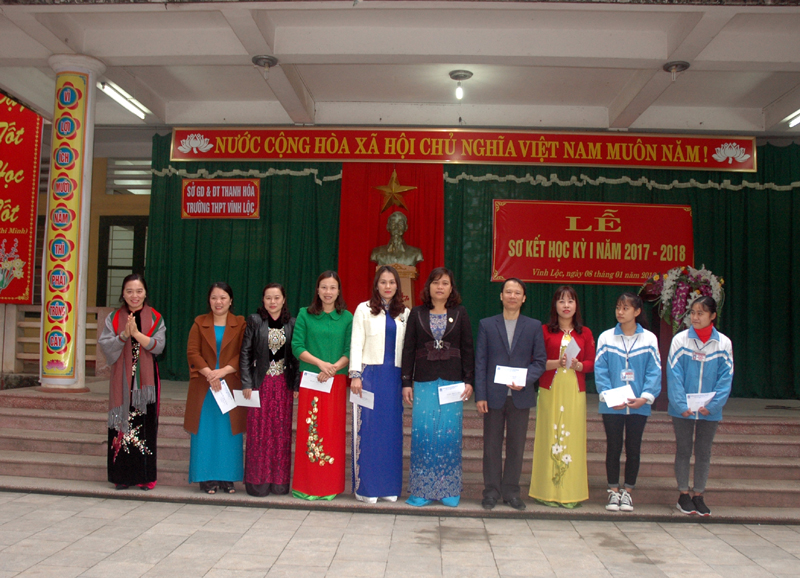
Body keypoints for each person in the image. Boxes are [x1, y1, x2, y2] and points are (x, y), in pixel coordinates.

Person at [401, 267, 474, 507]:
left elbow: (468, 348)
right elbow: (409, 349)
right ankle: (422, 490)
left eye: (445, 283)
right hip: (424, 382)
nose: (440, 287)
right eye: (435, 282)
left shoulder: (460, 313)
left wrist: (469, 380)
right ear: (428, 287)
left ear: (451, 288)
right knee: (424, 433)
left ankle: (448, 491)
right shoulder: (417, 313)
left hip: (453, 382)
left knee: (449, 434)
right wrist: (406, 382)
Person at [475, 278, 546, 511]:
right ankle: (491, 492)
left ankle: (511, 493)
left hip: (520, 396)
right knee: (491, 447)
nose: (512, 296)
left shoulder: (534, 326)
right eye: (508, 292)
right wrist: (480, 395)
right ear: (501, 296)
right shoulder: (487, 324)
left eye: (517, 293)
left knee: (516, 447)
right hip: (493, 396)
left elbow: (540, 361)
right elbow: (481, 362)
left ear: (524, 298)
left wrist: (524, 379)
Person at [98, 273, 166, 491]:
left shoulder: (155, 317)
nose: (134, 296)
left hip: (146, 384)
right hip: (121, 381)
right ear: (123, 294)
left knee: (145, 428)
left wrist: (136, 333)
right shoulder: (114, 318)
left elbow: (159, 346)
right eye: (129, 291)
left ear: (145, 293)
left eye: (139, 291)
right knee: (120, 426)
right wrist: (123, 335)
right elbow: (106, 347)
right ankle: (122, 477)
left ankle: (145, 478)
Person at [595, 292, 661, 513]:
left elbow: (654, 371)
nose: (620, 312)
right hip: (612, 405)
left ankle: (628, 492)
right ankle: (613, 491)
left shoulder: (649, 339)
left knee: (633, 448)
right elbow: (601, 370)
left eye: (625, 308)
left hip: (638, 404)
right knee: (613, 447)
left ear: (637, 311)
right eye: (618, 307)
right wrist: (608, 396)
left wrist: (645, 397)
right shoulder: (606, 337)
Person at [529, 285, 595, 508]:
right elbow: (536, 362)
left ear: (576, 305)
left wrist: (579, 365)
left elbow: (591, 363)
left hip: (574, 391)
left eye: (570, 301)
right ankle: (545, 491)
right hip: (550, 389)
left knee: (572, 437)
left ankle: (570, 493)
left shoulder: (585, 333)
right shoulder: (544, 330)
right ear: (555, 305)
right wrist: (557, 363)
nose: (566, 306)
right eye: (561, 301)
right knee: (549, 436)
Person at [668, 296, 733, 517]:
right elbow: (674, 374)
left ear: (712, 316)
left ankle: (699, 495)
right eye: (693, 313)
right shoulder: (680, 340)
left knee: (704, 452)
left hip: (709, 411)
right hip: (683, 409)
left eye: (701, 313)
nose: (695, 317)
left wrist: (713, 405)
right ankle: (683, 495)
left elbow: (726, 378)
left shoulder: (724, 343)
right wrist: (680, 404)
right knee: (684, 450)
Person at [348, 266, 409, 503]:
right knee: (369, 431)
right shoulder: (363, 309)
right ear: (376, 284)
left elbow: (408, 349)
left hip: (394, 379)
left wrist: (408, 380)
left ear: (397, 285)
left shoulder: (404, 313)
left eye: (392, 282)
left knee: (391, 432)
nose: (387, 286)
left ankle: (389, 486)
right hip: (369, 377)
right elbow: (356, 343)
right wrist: (355, 374)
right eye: (383, 282)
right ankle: (367, 488)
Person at [291, 271, 353, 500]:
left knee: (332, 432)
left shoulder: (347, 317)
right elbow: (297, 346)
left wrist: (334, 368)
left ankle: (330, 485)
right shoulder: (304, 315)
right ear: (317, 290)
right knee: (310, 431)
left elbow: (350, 350)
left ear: (338, 291)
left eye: (332, 287)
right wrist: (320, 364)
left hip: (336, 382)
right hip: (312, 380)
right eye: (324, 287)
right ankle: (307, 485)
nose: (328, 292)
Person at [185, 282, 246, 494]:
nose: (218, 302)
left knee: (229, 433)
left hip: (229, 383)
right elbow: (193, 352)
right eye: (214, 298)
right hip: (204, 386)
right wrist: (210, 373)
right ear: (209, 300)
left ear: (230, 300)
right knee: (204, 432)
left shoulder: (240, 324)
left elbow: (244, 353)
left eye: (222, 298)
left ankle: (227, 478)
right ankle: (205, 477)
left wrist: (222, 372)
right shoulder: (199, 323)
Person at [239, 283, 300, 497]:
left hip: (283, 385)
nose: (272, 302)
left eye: (276, 298)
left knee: (280, 433)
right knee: (259, 433)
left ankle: (279, 482)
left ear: (284, 300)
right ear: (263, 300)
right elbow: (245, 353)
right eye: (268, 298)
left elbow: (296, 357)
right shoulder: (255, 321)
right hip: (260, 383)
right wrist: (247, 383)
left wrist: (295, 384)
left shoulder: (292, 323)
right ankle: (258, 483)